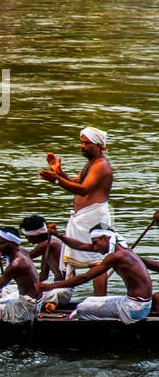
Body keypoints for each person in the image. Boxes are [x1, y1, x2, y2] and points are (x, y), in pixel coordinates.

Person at [39, 126, 112, 295]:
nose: (82, 146)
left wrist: (57, 180)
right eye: (81, 142)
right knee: (72, 259)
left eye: (87, 143)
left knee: (96, 261)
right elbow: (76, 183)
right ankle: (63, 296)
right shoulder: (90, 164)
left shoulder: (101, 166)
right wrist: (58, 171)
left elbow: (84, 190)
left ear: (99, 146)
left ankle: (99, 301)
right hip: (81, 218)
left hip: (94, 218)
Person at [42, 228, 153, 322]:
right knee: (89, 300)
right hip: (140, 305)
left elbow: (85, 277)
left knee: (81, 308)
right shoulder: (124, 250)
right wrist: (58, 235)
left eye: (95, 243)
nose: (95, 248)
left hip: (134, 308)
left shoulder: (116, 256)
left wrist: (51, 286)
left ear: (104, 238)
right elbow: (80, 246)